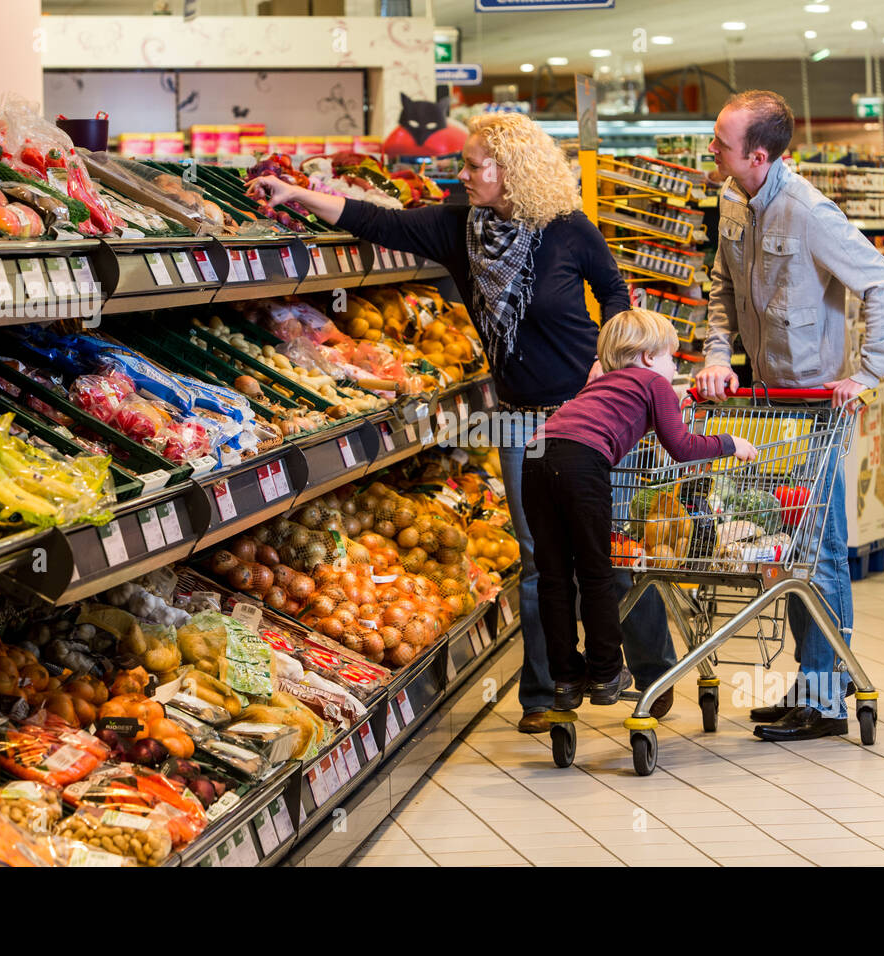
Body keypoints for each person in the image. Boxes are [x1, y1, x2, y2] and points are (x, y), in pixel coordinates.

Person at [247, 113, 681, 734]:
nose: (463, 173)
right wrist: (298, 194)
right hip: (519, 421)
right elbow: (378, 220)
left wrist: (607, 365)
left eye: (475, 164)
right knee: (538, 558)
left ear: (513, 170)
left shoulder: (568, 231)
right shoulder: (463, 230)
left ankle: (652, 665)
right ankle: (545, 694)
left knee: (607, 550)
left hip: (595, 414)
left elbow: (615, 295)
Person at [696, 90, 884, 742]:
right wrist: (716, 355)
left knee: (821, 553)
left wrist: (866, 374)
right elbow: (722, 290)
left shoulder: (810, 213)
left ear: (758, 155)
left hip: (817, 406)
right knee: (787, 552)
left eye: (722, 142)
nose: (712, 149)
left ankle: (823, 693)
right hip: (764, 405)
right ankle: (811, 681)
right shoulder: (733, 201)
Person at [524, 310, 757, 709]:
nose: (675, 366)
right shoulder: (653, 382)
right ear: (650, 357)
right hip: (582, 463)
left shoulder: (598, 385)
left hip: (537, 456)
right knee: (596, 571)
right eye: (673, 358)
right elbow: (681, 447)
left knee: (554, 577)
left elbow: (614, 422)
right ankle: (605, 673)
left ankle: (564, 678)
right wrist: (730, 443)